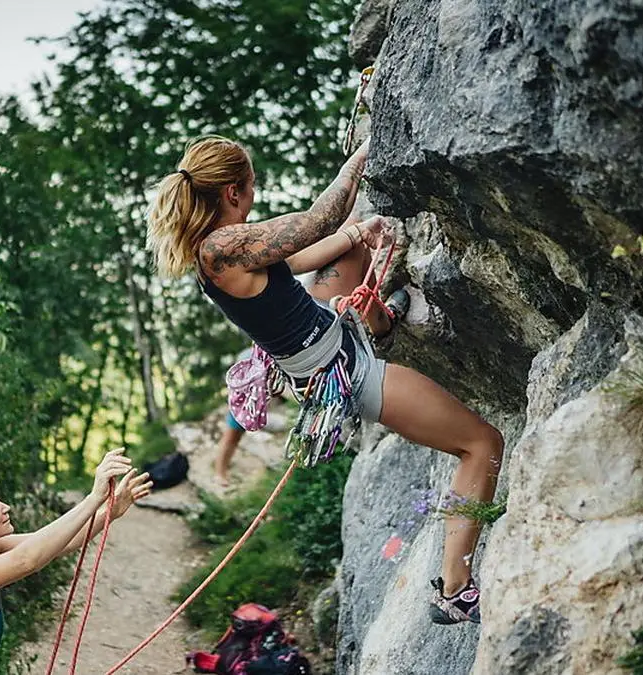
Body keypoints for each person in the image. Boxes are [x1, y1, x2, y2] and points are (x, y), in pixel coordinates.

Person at [147, 135, 504, 625]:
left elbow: (296, 259)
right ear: (232, 192)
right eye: (251, 187)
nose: (254, 195)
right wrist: (361, 157)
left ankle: (385, 315)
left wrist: (360, 234)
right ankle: (454, 590)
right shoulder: (220, 245)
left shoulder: (222, 250)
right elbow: (317, 223)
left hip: (327, 334)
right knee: (482, 443)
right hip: (346, 372)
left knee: (352, 234)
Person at [0, 449, 153, 674]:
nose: (6, 507)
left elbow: (60, 542)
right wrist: (93, 498)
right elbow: (27, 560)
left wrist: (109, 512)